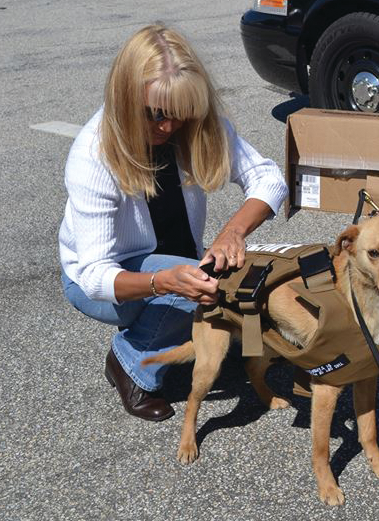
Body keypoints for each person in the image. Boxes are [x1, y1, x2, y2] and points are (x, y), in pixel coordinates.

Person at [59, 24, 287, 422]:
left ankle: (247, 356)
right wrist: (163, 282)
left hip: (169, 260)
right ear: (125, 99)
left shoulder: (197, 123)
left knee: (239, 272)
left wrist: (232, 232)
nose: (168, 128)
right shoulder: (92, 155)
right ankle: (131, 363)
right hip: (99, 282)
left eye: (181, 115)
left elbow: (269, 179)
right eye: (155, 115)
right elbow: (95, 276)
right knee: (196, 284)